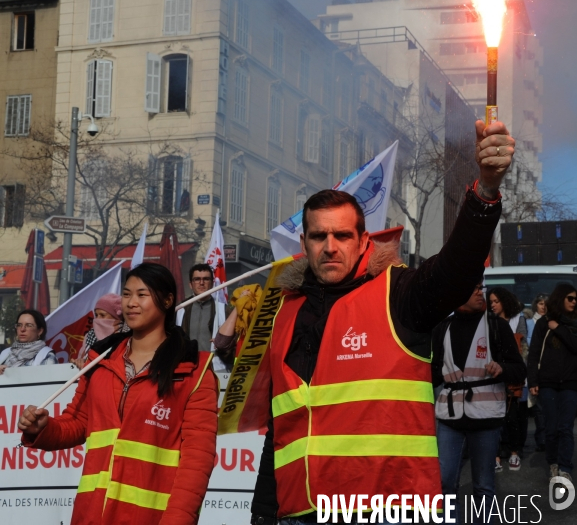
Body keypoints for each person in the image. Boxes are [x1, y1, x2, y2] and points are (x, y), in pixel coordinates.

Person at [250, 119, 515, 525]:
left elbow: (455, 270)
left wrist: (485, 192)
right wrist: (264, 513)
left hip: (388, 508)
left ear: (363, 241)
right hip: (297, 510)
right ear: (303, 244)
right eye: (319, 237)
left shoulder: (400, 293)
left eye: (341, 235)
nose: (330, 247)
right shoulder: (284, 312)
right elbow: (280, 428)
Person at [18, 263, 218, 524]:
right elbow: (77, 422)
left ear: (168, 300)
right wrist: (41, 428)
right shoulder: (100, 360)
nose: (131, 303)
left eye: (142, 294)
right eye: (126, 294)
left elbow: (197, 463)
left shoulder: (194, 369)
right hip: (91, 515)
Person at [432, 283, 525, 524]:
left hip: (486, 418)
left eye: (479, 287)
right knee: (444, 482)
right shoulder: (442, 329)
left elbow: (519, 370)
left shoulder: (496, 326)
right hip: (449, 418)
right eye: (472, 288)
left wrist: (502, 368)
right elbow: (432, 373)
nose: (479, 292)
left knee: (484, 486)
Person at [528, 283, 577, 482]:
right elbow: (533, 355)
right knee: (552, 427)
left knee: (566, 427)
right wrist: (532, 380)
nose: (574, 302)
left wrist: (559, 329)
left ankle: (565, 467)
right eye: (570, 298)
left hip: (571, 383)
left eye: (576, 299)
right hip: (547, 382)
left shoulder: (573, 323)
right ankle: (553, 462)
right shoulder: (543, 323)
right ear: (560, 298)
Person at [487, 287, 528, 470]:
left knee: (513, 416)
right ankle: (495, 455)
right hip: (493, 373)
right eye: (491, 302)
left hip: (512, 372)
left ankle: (514, 452)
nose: (493, 305)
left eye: (496, 301)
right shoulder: (488, 322)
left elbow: (522, 346)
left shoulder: (517, 320)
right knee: (494, 417)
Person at [72, 293, 126, 369]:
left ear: (115, 316)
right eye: (96, 315)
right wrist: (79, 362)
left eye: (102, 315)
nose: (97, 319)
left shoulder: (126, 337)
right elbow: (82, 359)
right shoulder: (90, 336)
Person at [527, 293, 548, 451]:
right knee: (539, 408)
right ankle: (542, 439)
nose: (543, 306)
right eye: (541, 303)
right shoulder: (530, 323)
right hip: (535, 368)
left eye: (546, 304)